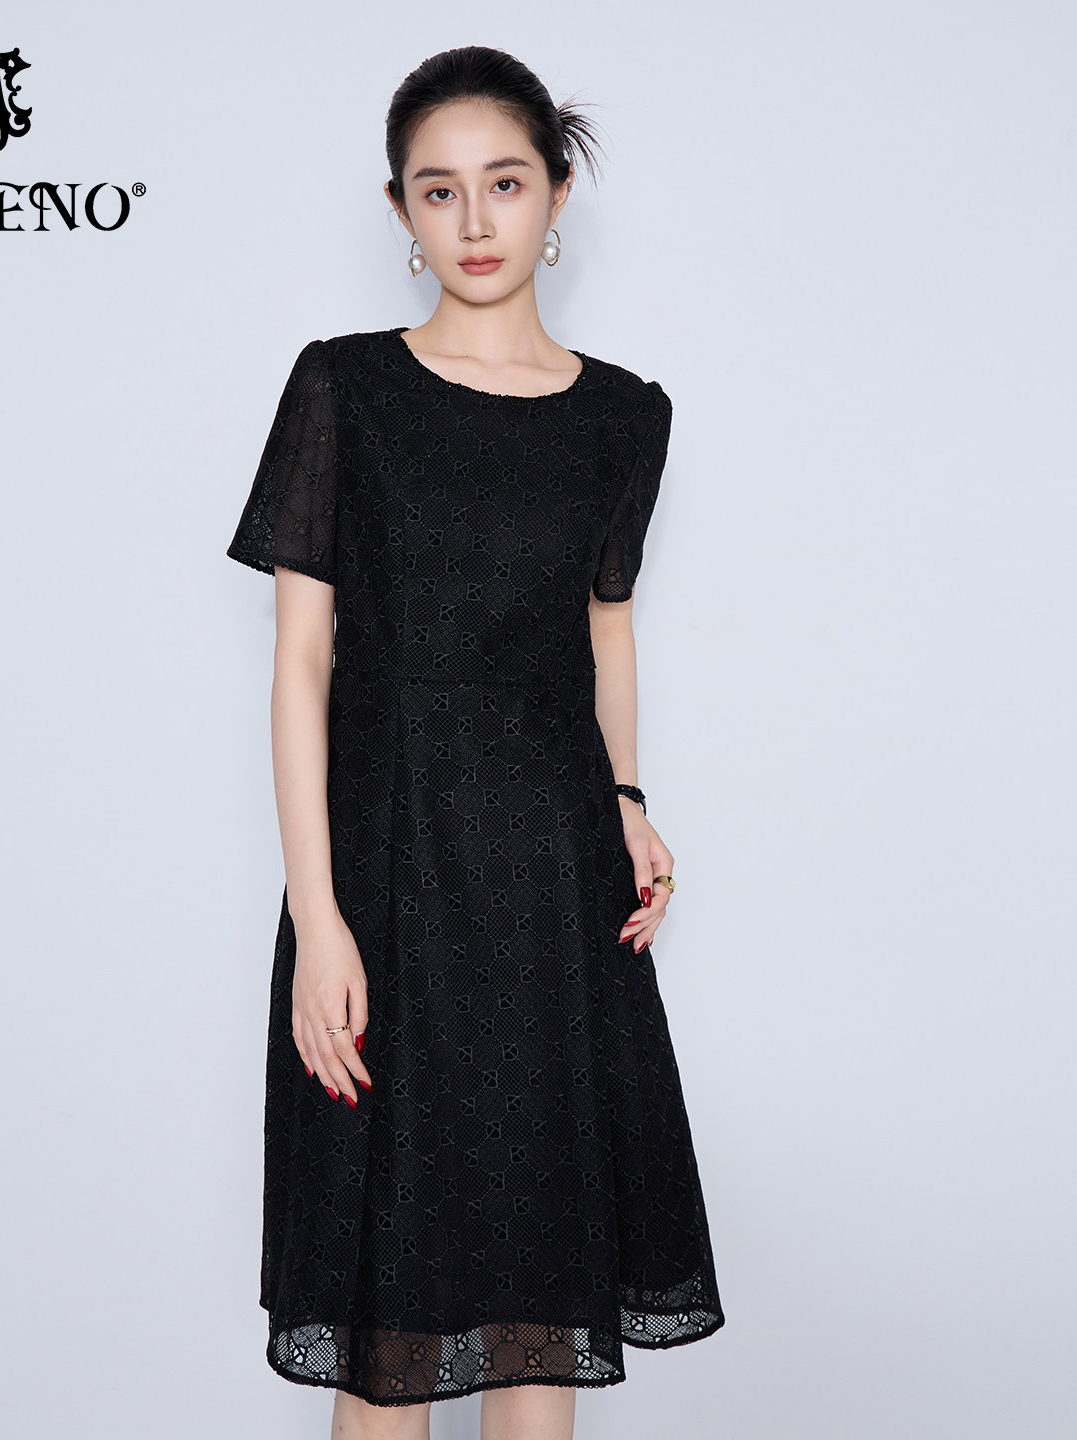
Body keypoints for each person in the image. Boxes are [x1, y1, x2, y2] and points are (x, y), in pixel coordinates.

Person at [225, 44, 724, 1440]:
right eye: (438, 191)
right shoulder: (345, 388)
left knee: (539, 1321)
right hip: (385, 881)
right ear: (401, 212)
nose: (475, 219)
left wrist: (626, 795)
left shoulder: (627, 415)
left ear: (555, 192)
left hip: (552, 887)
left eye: (503, 183)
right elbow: (301, 664)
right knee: (390, 1327)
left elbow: (605, 628)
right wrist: (320, 920)